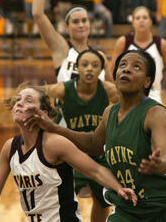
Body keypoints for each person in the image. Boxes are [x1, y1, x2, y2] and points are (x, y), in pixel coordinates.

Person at [23, 49, 166, 222]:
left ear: (146, 81)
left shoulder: (154, 113)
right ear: (115, 74)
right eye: (123, 65)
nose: (127, 69)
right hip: (130, 209)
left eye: (136, 67)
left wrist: (159, 164)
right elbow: (94, 143)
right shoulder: (110, 113)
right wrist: (54, 128)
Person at [0, 82, 136, 222]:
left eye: (28, 100)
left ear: (44, 113)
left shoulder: (54, 144)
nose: (20, 103)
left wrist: (118, 188)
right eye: (18, 100)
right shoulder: (10, 147)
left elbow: (95, 170)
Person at [41, 49, 119, 222]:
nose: (89, 69)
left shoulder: (109, 90)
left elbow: (132, 104)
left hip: (100, 151)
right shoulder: (63, 89)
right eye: (84, 65)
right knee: (70, 196)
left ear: (101, 71)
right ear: (77, 68)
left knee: (103, 201)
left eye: (95, 65)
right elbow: (39, 92)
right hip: (74, 150)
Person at [32, 0, 113, 83]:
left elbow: (113, 94)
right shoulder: (61, 48)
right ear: (67, 27)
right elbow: (38, 14)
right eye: (75, 22)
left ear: (89, 24)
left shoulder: (100, 57)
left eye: (84, 20)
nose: (81, 25)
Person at [111, 6, 166, 114]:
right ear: (133, 22)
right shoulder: (123, 42)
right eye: (138, 18)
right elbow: (111, 72)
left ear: (150, 22)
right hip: (126, 97)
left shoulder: (161, 44)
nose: (141, 20)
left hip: (154, 95)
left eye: (145, 17)